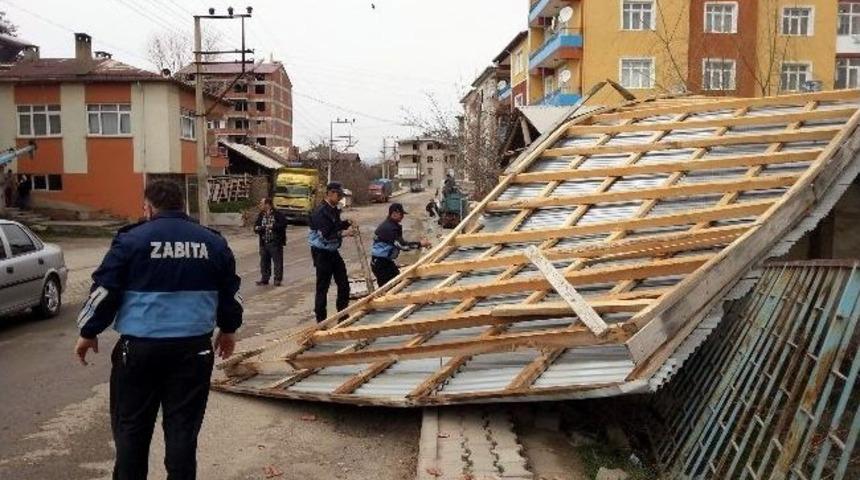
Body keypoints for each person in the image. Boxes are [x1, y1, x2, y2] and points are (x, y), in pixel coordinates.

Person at [74, 180, 243, 480]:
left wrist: (89, 331)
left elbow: (104, 291)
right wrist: (229, 329)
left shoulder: (132, 240)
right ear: (183, 206)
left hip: (139, 353)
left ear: (149, 207)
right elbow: (230, 293)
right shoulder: (213, 242)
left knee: (131, 432)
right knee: (182, 432)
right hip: (194, 351)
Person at [308, 181, 354, 322]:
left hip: (333, 252)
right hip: (322, 253)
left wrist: (347, 223)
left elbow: (335, 225)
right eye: (338, 195)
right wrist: (345, 233)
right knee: (323, 287)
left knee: (344, 284)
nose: (340, 198)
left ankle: (343, 315)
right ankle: (321, 321)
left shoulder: (334, 209)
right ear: (330, 194)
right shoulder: (320, 212)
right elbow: (327, 235)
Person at [371, 203, 430, 287]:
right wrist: (420, 244)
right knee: (387, 288)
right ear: (394, 214)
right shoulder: (389, 228)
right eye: (401, 214)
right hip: (381, 264)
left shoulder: (391, 225)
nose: (402, 217)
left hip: (385, 261)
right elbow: (403, 246)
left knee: (397, 282)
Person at [253, 197, 287, 286]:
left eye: (262, 203)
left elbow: (283, 225)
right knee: (264, 261)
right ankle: (265, 278)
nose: (260, 205)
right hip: (264, 241)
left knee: (277, 261)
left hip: (275, 242)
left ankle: (277, 279)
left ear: (267, 204)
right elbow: (256, 225)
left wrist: (273, 226)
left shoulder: (277, 214)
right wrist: (258, 229)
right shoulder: (261, 214)